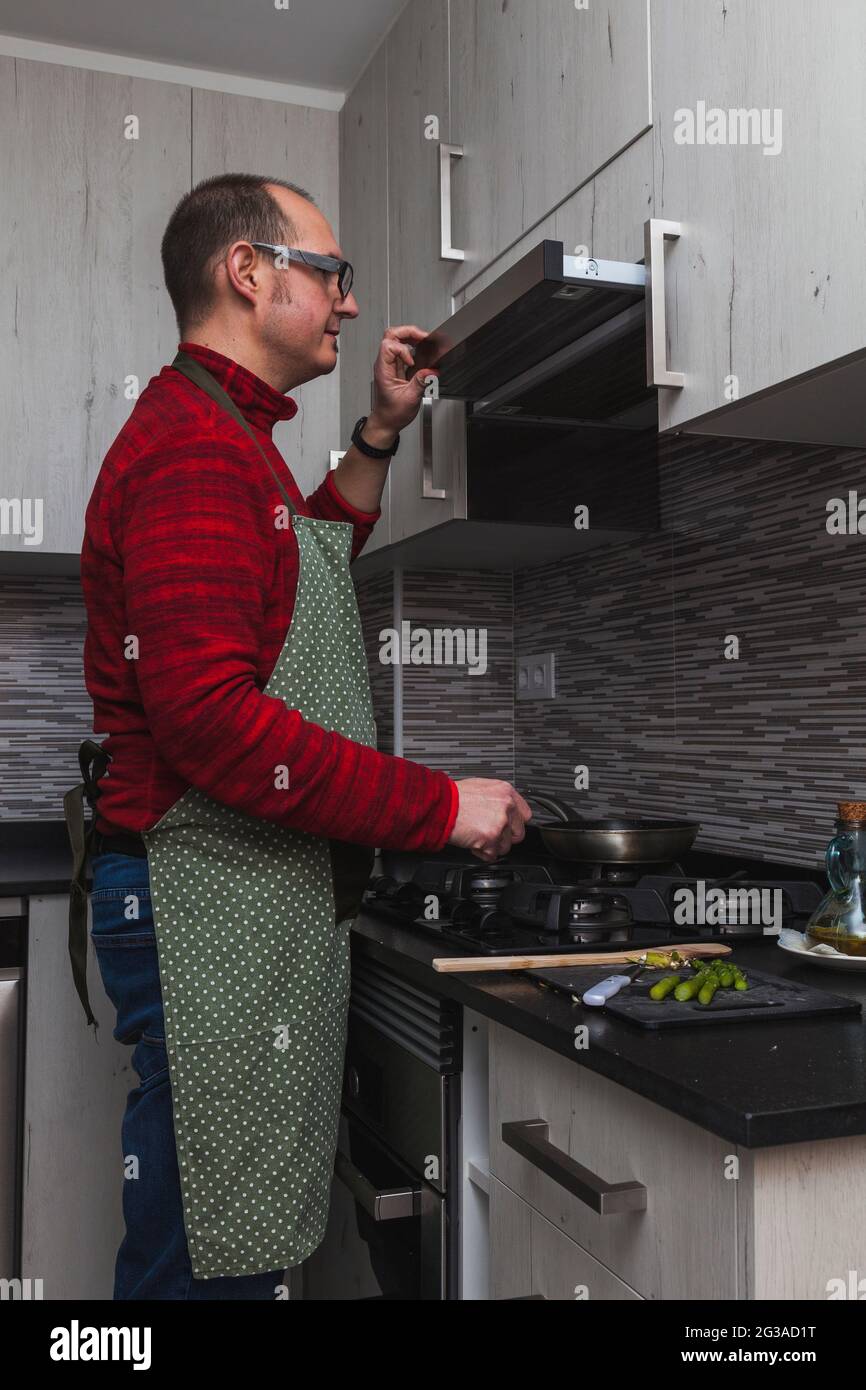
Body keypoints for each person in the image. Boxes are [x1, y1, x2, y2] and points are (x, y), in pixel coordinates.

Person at [67, 172, 531, 1300]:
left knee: (220, 1244)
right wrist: (436, 803)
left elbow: (301, 566)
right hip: (199, 905)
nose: (349, 303)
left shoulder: (224, 438)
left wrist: (377, 431)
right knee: (205, 1262)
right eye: (330, 274)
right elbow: (212, 722)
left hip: (231, 903)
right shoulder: (192, 451)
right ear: (247, 272)